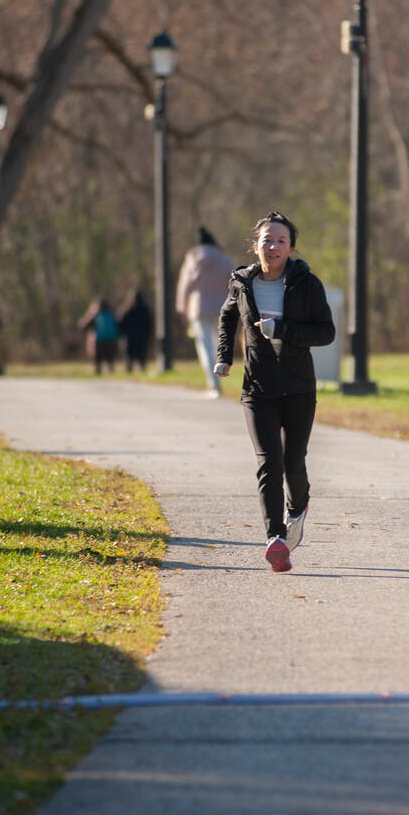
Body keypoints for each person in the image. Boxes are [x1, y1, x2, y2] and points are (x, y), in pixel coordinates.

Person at [214, 211, 335, 572]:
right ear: (257, 246)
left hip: (298, 387)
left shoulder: (307, 284)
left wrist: (281, 329)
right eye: (267, 239)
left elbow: (325, 332)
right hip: (258, 387)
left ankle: (297, 508)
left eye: (281, 240)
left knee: (294, 462)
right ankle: (275, 539)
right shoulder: (241, 282)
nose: (273, 245)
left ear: (291, 248)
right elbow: (226, 317)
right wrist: (224, 357)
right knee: (269, 462)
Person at [176, 227, 233, 397]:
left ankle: (214, 385)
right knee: (220, 346)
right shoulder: (224, 259)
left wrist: (181, 308)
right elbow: (234, 282)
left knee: (205, 348)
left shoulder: (192, 261)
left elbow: (184, 286)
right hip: (223, 308)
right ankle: (220, 378)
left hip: (198, 309)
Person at [77, 297, 119, 375]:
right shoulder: (112, 314)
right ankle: (111, 373)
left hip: (100, 342)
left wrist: (89, 313)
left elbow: (82, 326)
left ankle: (98, 372)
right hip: (112, 341)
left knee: (98, 361)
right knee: (110, 361)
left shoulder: (96, 315)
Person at [117, 288, 152, 372]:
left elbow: (120, 324)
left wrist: (121, 335)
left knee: (129, 360)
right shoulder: (145, 310)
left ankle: (129, 372)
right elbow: (149, 325)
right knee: (141, 359)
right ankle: (141, 371)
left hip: (129, 339)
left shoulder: (126, 310)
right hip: (141, 338)